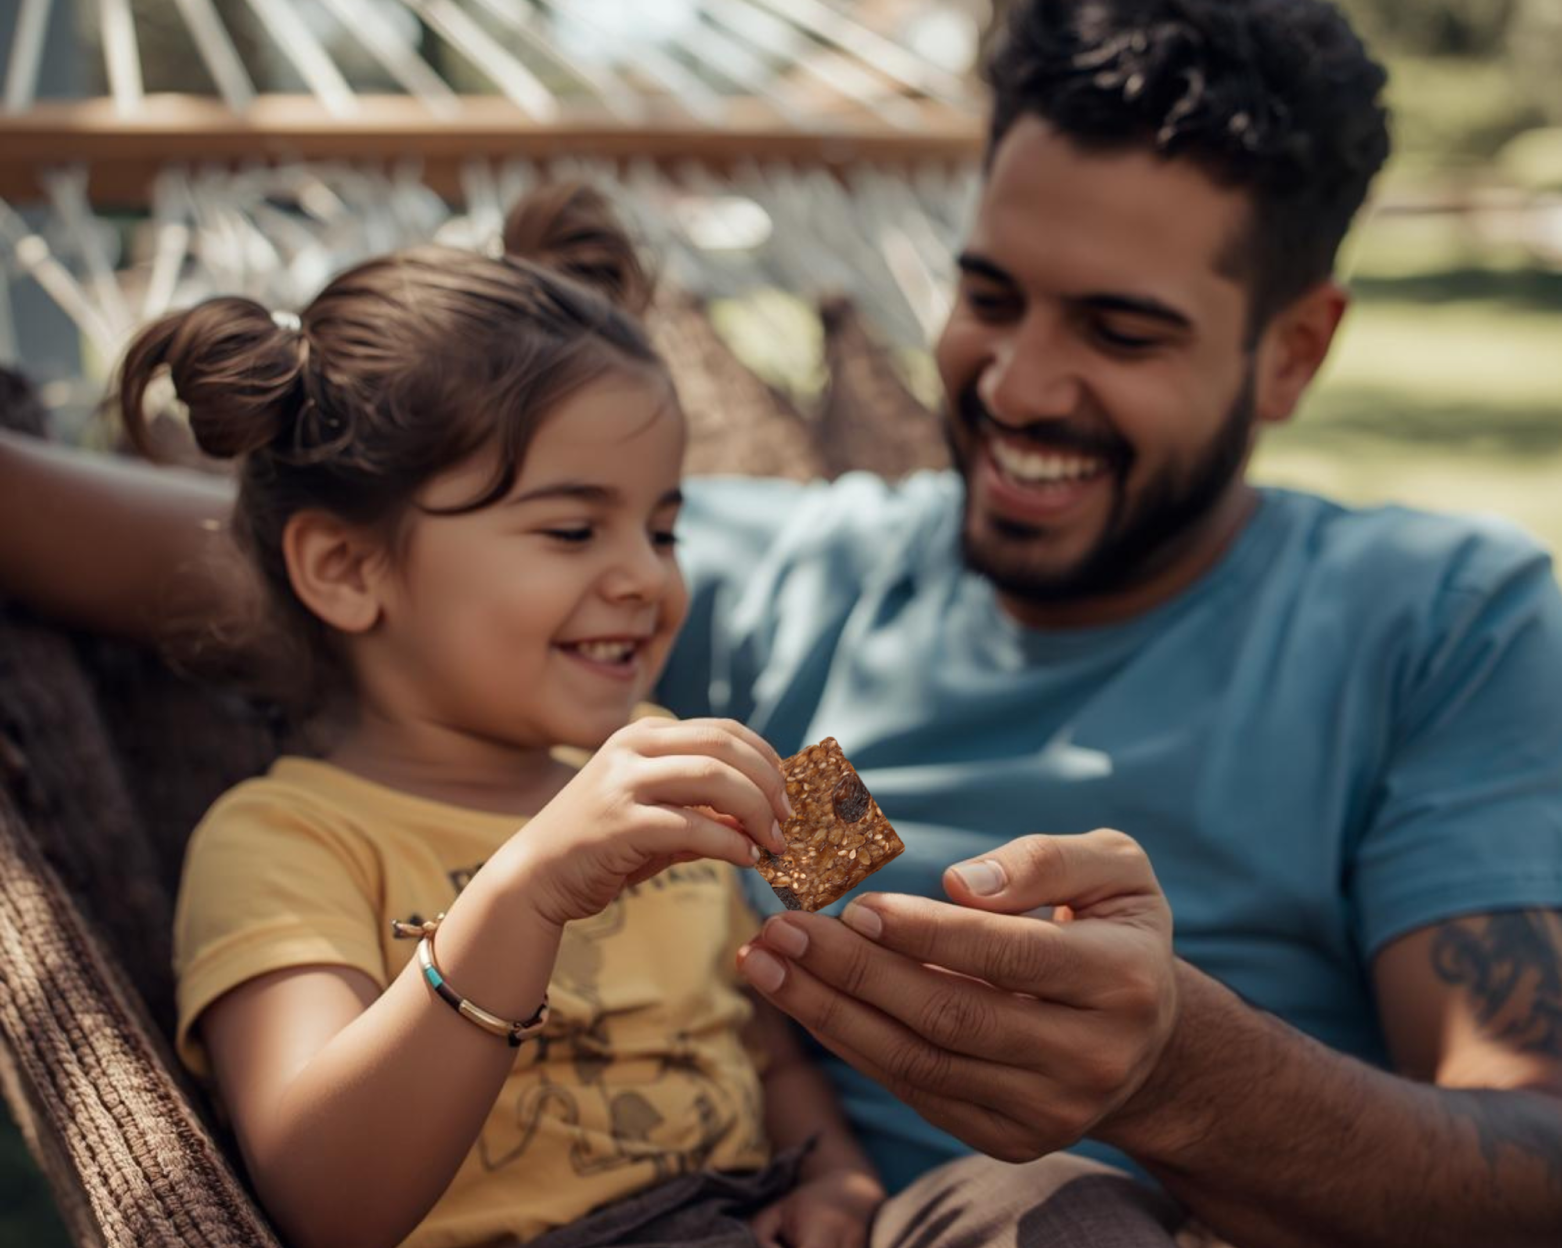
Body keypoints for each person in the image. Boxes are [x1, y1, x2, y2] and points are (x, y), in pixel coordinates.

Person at [3, 1, 1561, 1245]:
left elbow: (1536, 1160)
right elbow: (304, 539)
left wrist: (1176, 1082)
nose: (1018, 386)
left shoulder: (1445, 623)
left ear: (1292, 354)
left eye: (1120, 330)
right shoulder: (725, 611)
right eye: (988, 296)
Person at [94, 186, 900, 1248]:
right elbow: (325, 1200)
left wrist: (837, 1177)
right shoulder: (281, 841)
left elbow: (759, 1041)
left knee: (1044, 1202)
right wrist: (522, 893)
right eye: (572, 531)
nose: (647, 579)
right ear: (346, 568)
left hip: (748, 1217)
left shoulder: (650, 766)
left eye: (663, 531)